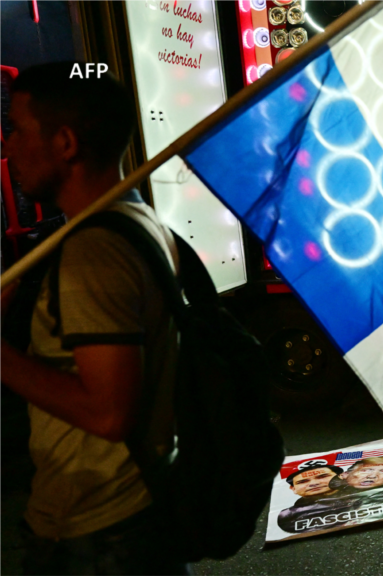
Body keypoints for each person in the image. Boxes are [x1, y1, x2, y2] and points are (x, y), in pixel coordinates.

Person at [0, 63, 187, 574]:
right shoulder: (136, 217)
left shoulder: (92, 253)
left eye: (15, 128)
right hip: (137, 513)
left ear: (64, 143)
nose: (8, 146)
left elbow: (110, 414)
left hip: (100, 535)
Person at [277, 457, 383, 534]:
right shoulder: (295, 512)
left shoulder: (379, 493)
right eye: (303, 481)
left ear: (340, 477)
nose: (314, 484)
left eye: (323, 476)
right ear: (293, 489)